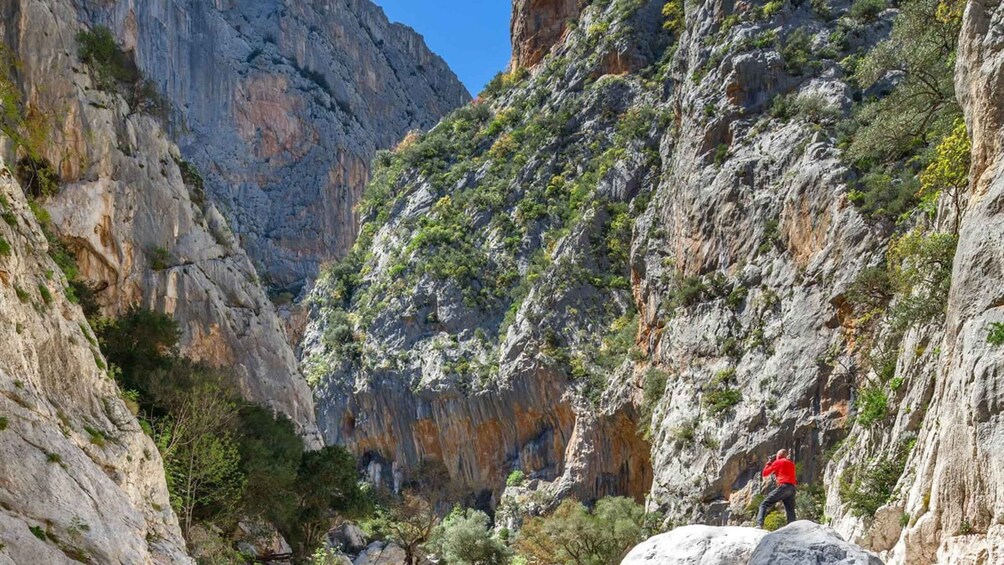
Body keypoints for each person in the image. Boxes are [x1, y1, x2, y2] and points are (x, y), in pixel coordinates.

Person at [756, 449, 797, 528]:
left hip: (783, 486)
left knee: (764, 504)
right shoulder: (791, 463)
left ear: (779, 456)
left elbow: (765, 473)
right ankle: (793, 527)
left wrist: (769, 463)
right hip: (792, 487)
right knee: (790, 510)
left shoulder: (779, 462)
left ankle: (759, 524)